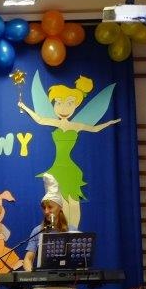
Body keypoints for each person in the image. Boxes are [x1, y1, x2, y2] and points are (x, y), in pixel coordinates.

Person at [16, 74, 121, 232]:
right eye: (58, 103)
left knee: (73, 203)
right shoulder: (55, 123)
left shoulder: (77, 126)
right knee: (60, 204)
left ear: (76, 104)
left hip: (71, 170)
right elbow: (39, 119)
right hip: (57, 169)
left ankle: (74, 234)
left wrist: (110, 122)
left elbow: (94, 128)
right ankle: (59, 235)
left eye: (69, 103)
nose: (63, 108)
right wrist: (24, 107)